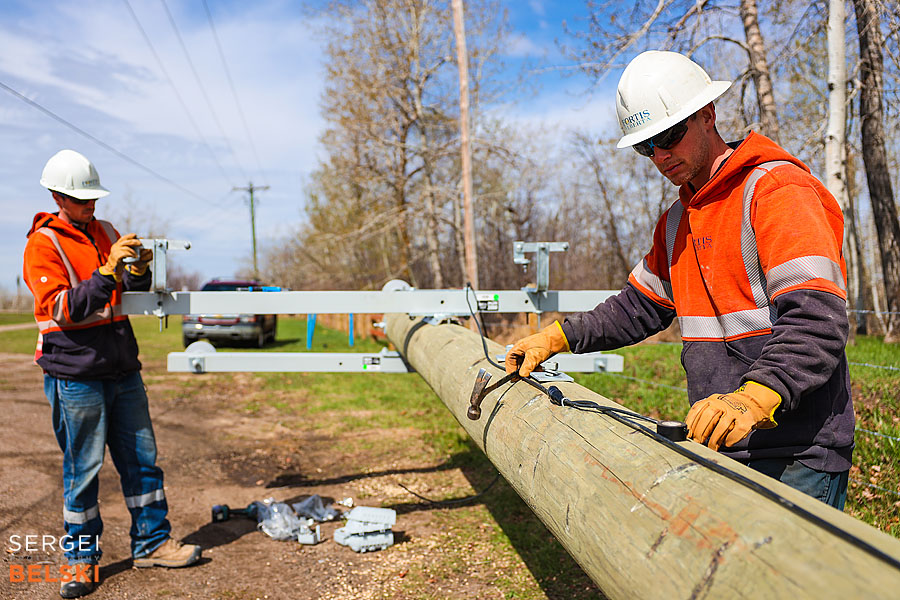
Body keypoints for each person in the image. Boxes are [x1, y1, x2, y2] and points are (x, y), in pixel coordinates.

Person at [505, 51, 853, 510]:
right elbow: (638, 308)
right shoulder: (676, 223)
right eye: (646, 146)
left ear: (708, 114)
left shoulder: (776, 192)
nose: (661, 155)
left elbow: (816, 321)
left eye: (669, 135)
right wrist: (555, 338)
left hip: (796, 453)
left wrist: (754, 397)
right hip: (721, 445)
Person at [22, 149, 201, 598]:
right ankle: (81, 563)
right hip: (76, 374)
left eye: (94, 199)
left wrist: (137, 270)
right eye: (83, 200)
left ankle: (153, 544)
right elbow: (65, 308)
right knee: (82, 471)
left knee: (143, 462)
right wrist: (106, 270)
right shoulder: (43, 245)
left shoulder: (105, 231)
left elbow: (128, 288)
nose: (92, 207)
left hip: (122, 369)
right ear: (58, 197)